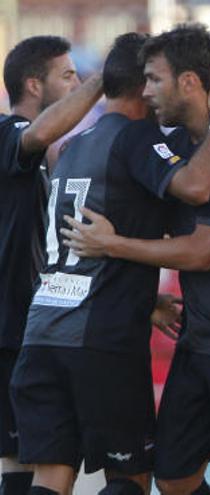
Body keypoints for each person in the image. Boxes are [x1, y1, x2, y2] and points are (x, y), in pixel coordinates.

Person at [61, 24, 210, 495]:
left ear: (189, 82)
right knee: (173, 478)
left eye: (154, 79)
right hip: (199, 341)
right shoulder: (179, 147)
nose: (146, 90)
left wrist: (114, 246)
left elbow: (200, 252)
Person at [12, 32, 210, 495]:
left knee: (51, 475)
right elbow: (195, 188)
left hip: (43, 331)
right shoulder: (136, 137)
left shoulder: (73, 146)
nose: (157, 91)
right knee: (130, 476)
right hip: (100, 338)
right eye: (152, 79)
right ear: (141, 86)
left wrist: (143, 296)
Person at [0, 34, 104, 495]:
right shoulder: (9, 134)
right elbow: (39, 132)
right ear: (33, 85)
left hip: (33, 322)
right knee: (24, 456)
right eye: (67, 76)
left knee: (29, 458)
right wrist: (103, 81)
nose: (77, 84)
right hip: (9, 326)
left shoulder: (47, 157)